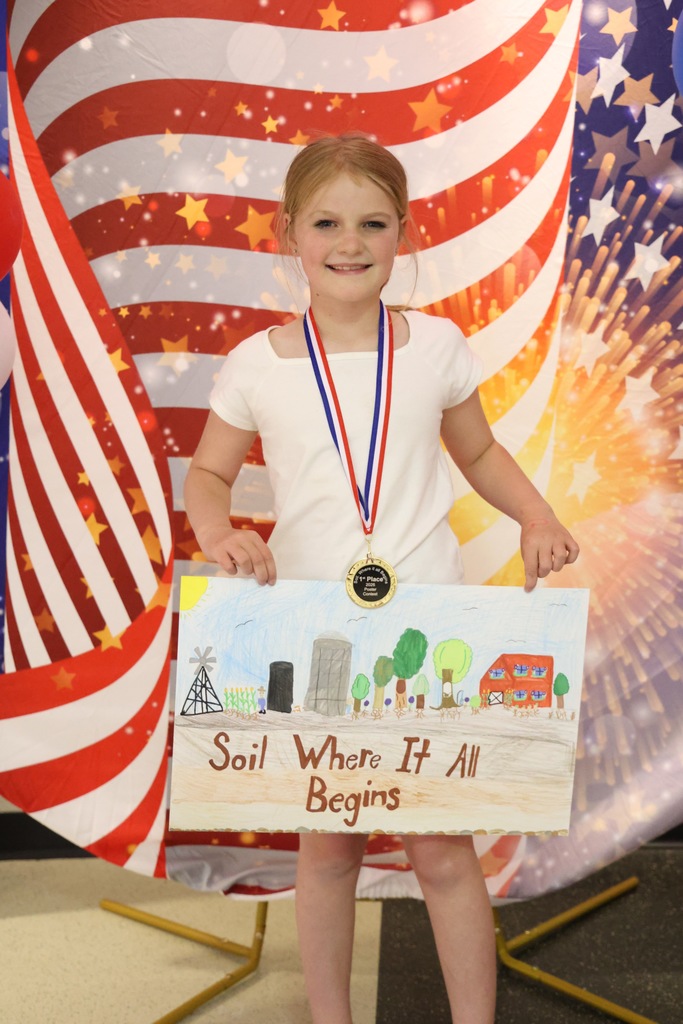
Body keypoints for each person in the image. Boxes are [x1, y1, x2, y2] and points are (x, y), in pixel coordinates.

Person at [184, 132, 579, 1024]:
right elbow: (207, 474)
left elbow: (475, 449)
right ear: (290, 232)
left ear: (403, 232)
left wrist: (538, 516)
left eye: (371, 222)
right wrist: (219, 530)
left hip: (428, 627)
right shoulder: (256, 363)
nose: (349, 242)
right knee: (327, 849)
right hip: (315, 632)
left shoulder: (435, 346)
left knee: (444, 849)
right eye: (326, 222)